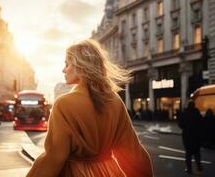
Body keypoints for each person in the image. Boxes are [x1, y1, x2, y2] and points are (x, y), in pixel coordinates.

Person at [26, 39, 153, 177]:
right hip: (109, 172)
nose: (63, 70)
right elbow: (134, 154)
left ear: (80, 66)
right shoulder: (114, 101)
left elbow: (54, 158)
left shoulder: (63, 104)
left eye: (67, 64)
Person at [178, 101, 203, 174]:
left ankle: (189, 169)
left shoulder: (184, 113)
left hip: (187, 135)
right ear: (194, 105)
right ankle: (199, 167)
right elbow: (201, 122)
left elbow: (180, 124)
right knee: (197, 152)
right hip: (196, 135)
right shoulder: (197, 112)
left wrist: (185, 127)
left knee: (188, 153)